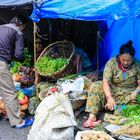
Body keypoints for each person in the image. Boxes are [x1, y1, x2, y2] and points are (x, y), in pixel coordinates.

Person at [83, 40, 140, 128]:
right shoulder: (112, 63)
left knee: (130, 110)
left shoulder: (137, 65)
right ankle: (92, 116)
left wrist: (136, 91)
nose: (125, 62)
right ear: (119, 56)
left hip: (128, 96)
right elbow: (105, 81)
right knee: (96, 85)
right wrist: (109, 97)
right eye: (123, 59)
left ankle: (113, 111)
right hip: (112, 92)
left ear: (132, 58)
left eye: (128, 60)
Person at [0, 15, 34, 128]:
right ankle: (18, 122)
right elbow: (19, 55)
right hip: (1, 62)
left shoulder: (1, 27)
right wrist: (21, 60)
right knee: (10, 93)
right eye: (24, 26)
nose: (23, 29)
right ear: (21, 24)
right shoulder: (18, 32)